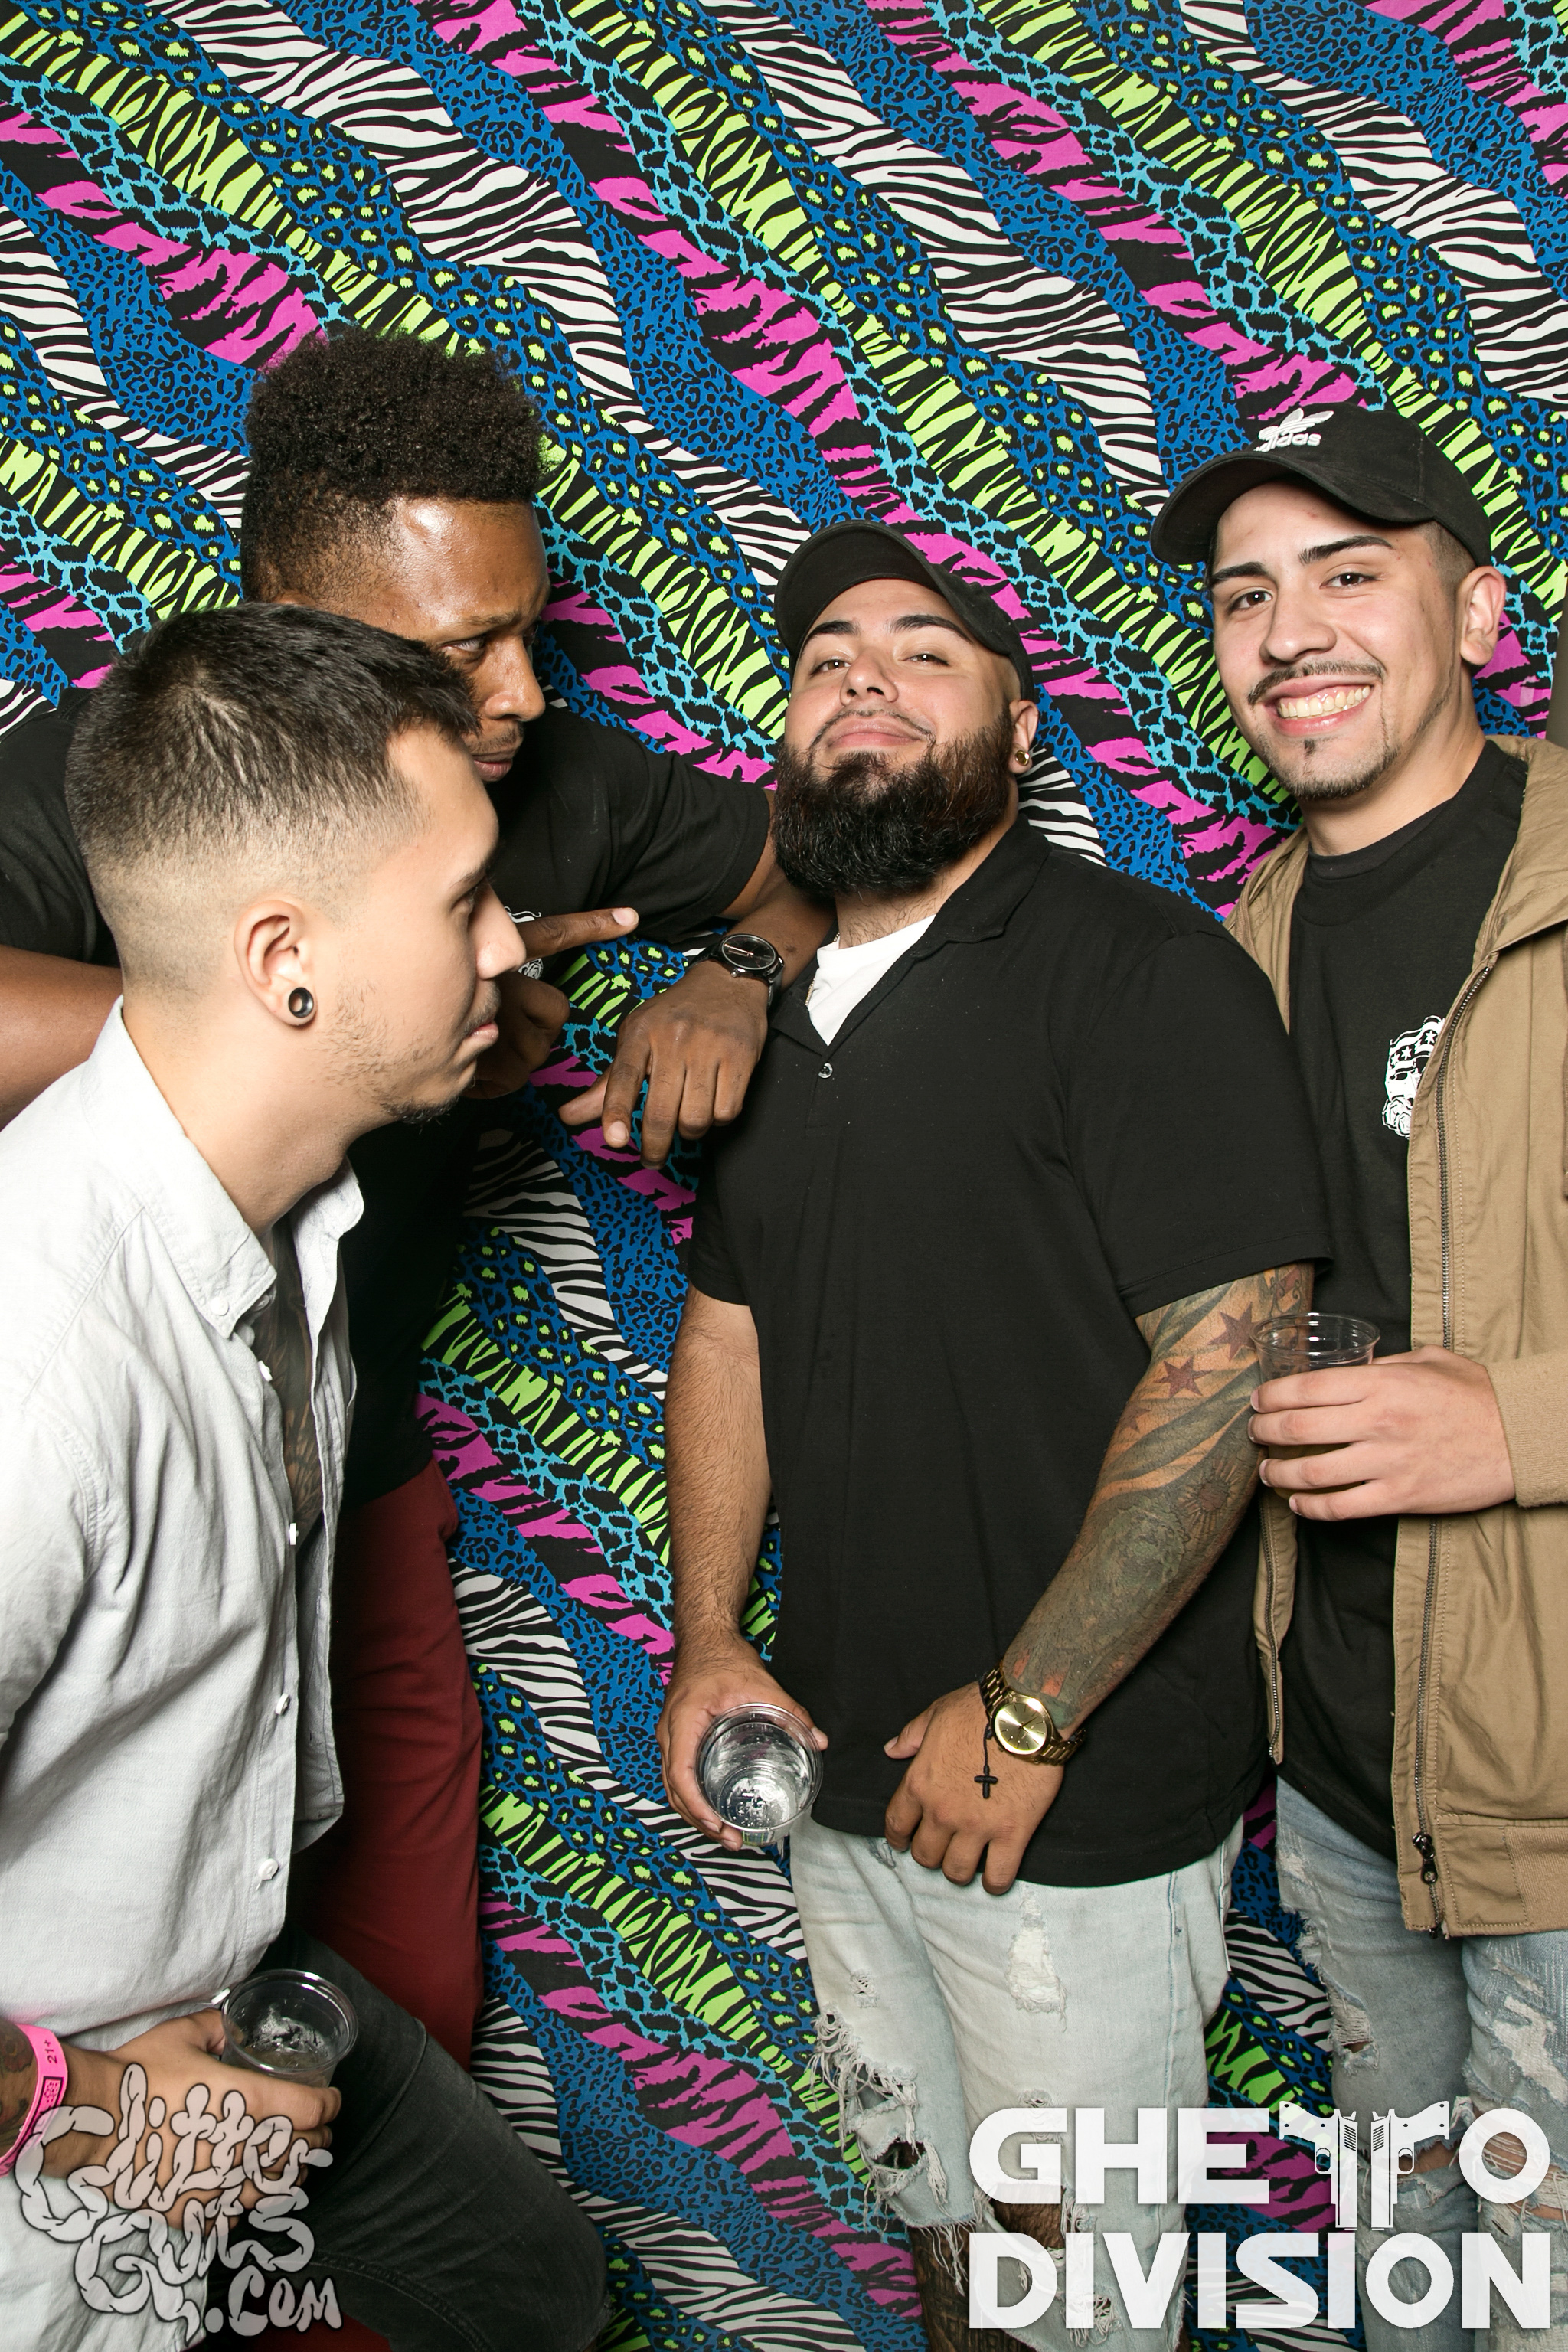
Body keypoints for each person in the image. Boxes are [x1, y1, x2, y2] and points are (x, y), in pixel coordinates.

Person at [0, 328, 830, 2072]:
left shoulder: (549, 775)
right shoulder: (126, 777)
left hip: (348, 1479)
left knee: (389, 2032)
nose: (519, 692)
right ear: (292, 616)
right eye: (461, 651)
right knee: (111, 2024)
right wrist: (361, 1026)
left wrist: (736, 976)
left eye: (529, 629)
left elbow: (795, 870)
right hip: (116, 1478)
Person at [654, 516, 1331, 2352]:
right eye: (824, 661)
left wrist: (1030, 1709)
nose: (862, 677)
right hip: (836, 1769)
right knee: (944, 2239)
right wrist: (709, 1636)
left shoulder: (1135, 969)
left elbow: (1232, 1360)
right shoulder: (768, 1023)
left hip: (1067, 1791)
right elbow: (727, 1331)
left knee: (1076, 2289)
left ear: (1022, 728)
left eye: (923, 652)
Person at [0, 603, 606, 2350]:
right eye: (463, 901)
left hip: (234, 1988)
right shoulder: (44, 1368)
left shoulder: (295, 1227)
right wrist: (86, 2108)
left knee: (535, 2288)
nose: (508, 944)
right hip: (60, 2125)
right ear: (288, 962)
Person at [1153, 402, 1568, 2351]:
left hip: (1556, 1796)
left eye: (1346, 574)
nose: (1289, 631)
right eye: (1246, 596)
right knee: (1415, 2275)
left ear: (1474, 614)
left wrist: (1519, 1421)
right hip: (1336, 1777)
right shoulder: (1223, 965)